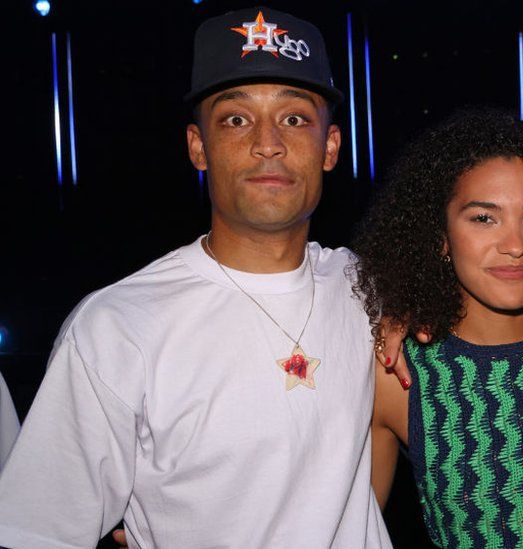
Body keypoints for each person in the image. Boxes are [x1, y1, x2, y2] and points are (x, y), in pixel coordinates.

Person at [0, 7, 391, 548]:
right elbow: (37, 530)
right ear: (197, 147)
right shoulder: (118, 327)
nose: (267, 142)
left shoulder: (370, 287)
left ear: (330, 147)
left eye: (295, 118)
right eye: (235, 119)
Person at [354, 109, 523, 547]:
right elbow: (346, 532)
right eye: (484, 218)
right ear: (440, 236)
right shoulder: (399, 374)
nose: (516, 245)